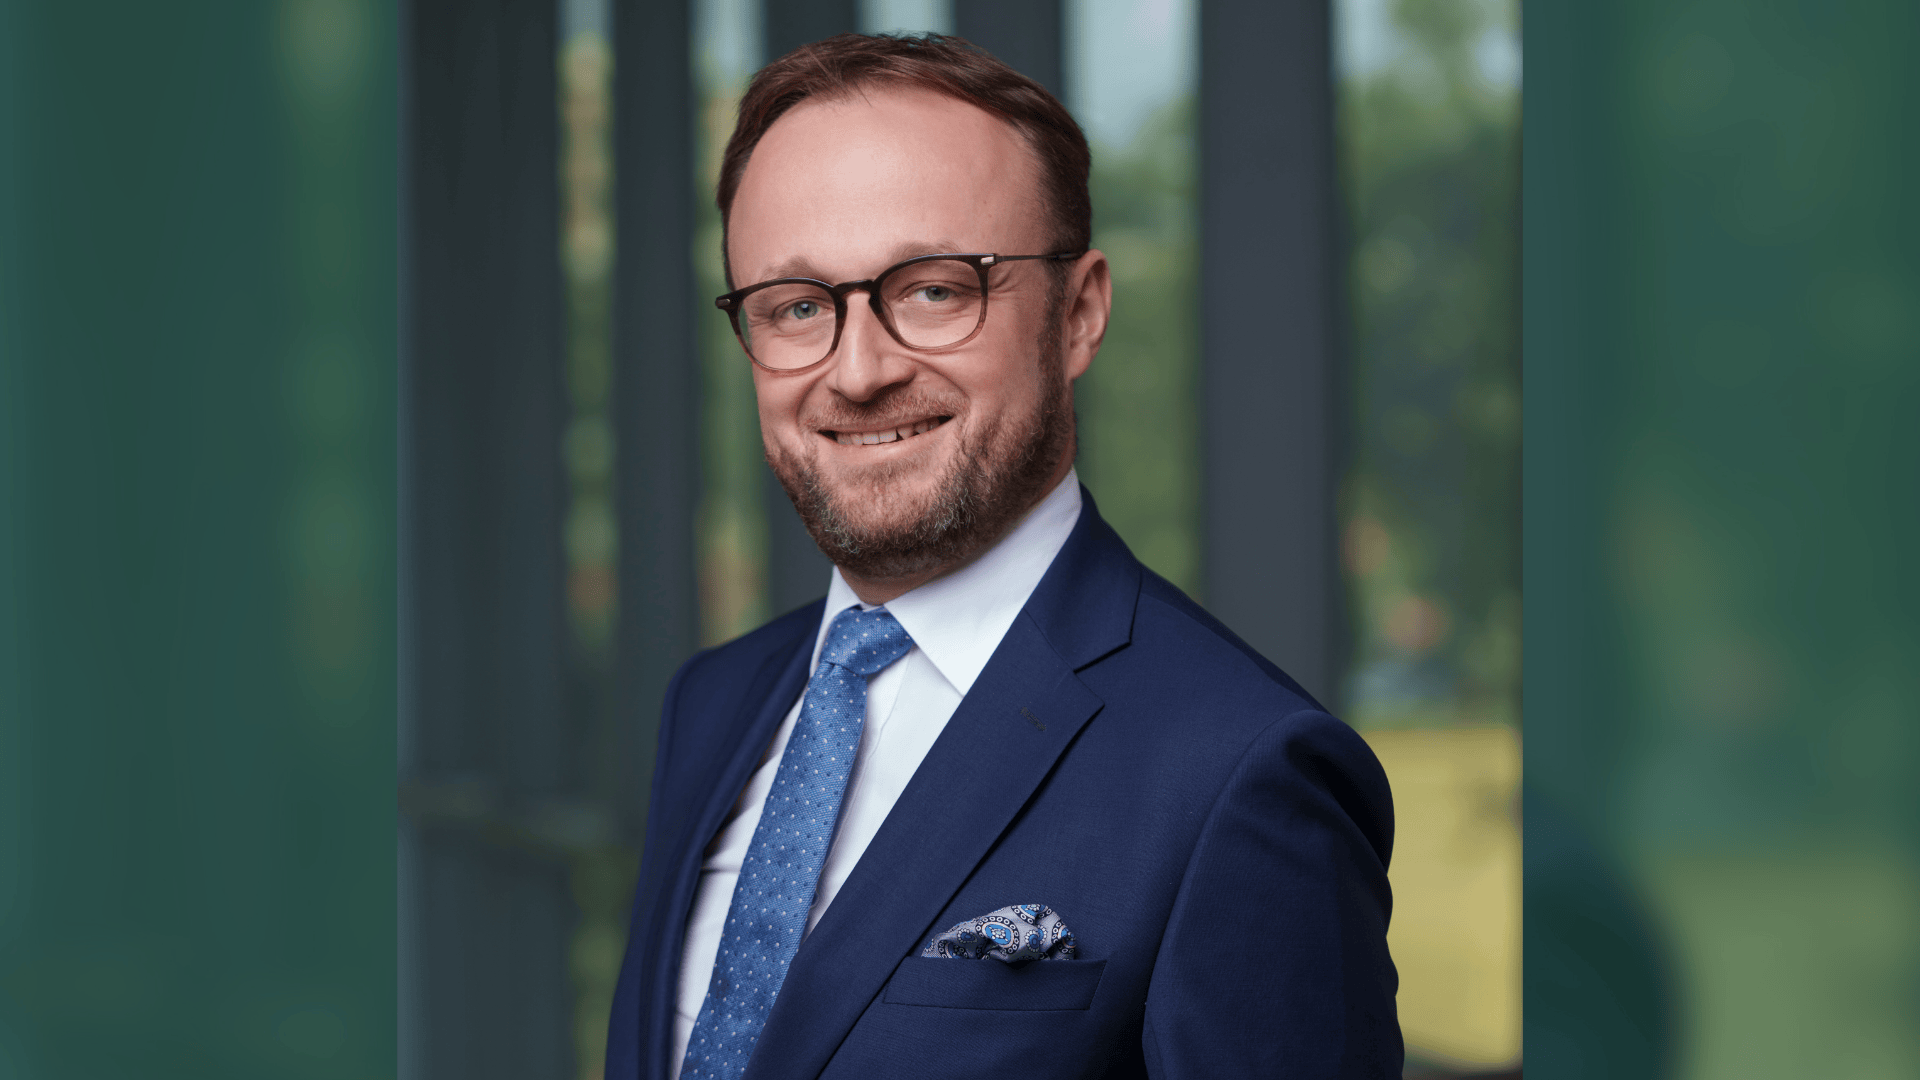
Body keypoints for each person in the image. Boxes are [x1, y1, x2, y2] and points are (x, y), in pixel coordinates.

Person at [606, 32, 1399, 1080]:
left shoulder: (1238, 773)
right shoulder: (712, 705)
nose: (858, 372)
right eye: (796, 307)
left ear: (1079, 315)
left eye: (935, 288)